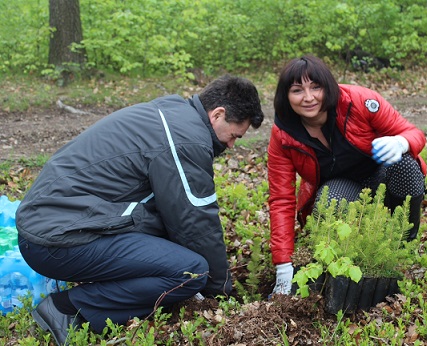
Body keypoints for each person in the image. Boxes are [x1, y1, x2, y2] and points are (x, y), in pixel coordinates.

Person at [15, 74, 264, 345]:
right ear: (217, 114)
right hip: (55, 240)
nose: (231, 145)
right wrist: (221, 292)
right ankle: (69, 309)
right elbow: (196, 222)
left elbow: (173, 213)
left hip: (50, 224)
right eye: (234, 136)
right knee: (191, 272)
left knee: (171, 243)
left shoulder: (171, 115)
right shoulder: (187, 140)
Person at [268, 55, 427, 295]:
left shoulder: (360, 101)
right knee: (329, 201)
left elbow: (413, 133)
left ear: (328, 87)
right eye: (297, 90)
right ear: (286, 96)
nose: (308, 97)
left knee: (406, 166)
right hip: (344, 186)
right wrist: (282, 266)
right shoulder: (283, 135)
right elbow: (281, 199)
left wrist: (401, 142)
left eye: (316, 87)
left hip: (381, 174)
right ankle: (352, 258)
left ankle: (402, 247)